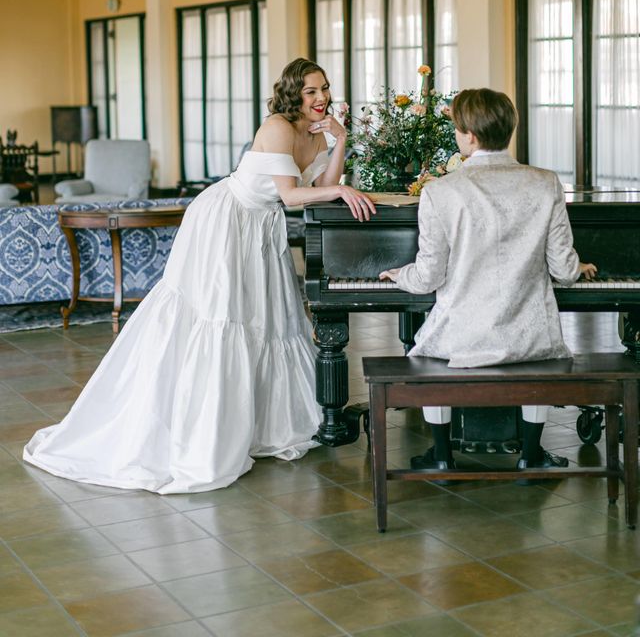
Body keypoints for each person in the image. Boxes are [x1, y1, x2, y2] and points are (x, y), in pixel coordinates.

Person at [24, 58, 375, 494]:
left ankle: (264, 425)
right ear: (292, 96)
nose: (321, 98)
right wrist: (340, 189)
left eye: (324, 88)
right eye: (310, 92)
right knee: (218, 317)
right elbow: (291, 195)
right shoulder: (278, 128)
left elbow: (324, 180)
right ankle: (204, 431)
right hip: (226, 222)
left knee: (268, 321)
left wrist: (340, 141)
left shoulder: (316, 132)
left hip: (262, 231)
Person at [380, 87, 596, 477]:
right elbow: (563, 270)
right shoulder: (545, 183)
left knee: (427, 351)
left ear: (471, 136)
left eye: (457, 129)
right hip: (530, 336)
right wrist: (579, 268)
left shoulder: (440, 191)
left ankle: (442, 454)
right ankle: (531, 454)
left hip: (462, 337)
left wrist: (401, 274)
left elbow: (429, 276)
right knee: (537, 355)